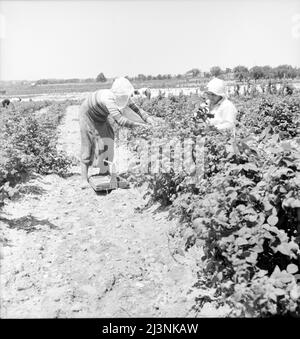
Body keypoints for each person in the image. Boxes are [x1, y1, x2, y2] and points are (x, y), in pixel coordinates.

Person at [79, 77, 155, 189]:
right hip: (87, 115)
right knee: (88, 144)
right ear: (117, 93)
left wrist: (148, 119)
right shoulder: (108, 99)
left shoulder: (124, 97)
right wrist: (142, 126)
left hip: (100, 117)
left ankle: (104, 171)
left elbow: (137, 110)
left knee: (108, 139)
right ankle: (83, 179)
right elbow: (120, 120)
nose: (124, 97)